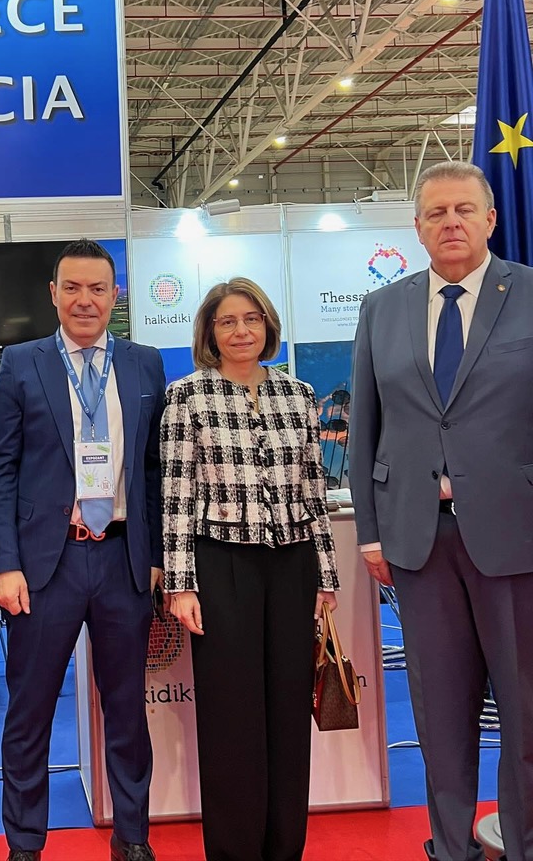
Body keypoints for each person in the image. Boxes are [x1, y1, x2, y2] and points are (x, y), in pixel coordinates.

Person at [350, 161, 533, 861]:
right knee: (439, 714)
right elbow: (366, 427)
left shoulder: (529, 294)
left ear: (490, 219)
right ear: (418, 227)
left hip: (515, 535)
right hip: (417, 541)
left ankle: (523, 843)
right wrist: (370, 534)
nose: (450, 222)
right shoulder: (382, 308)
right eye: (436, 212)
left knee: (524, 710)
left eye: (463, 209)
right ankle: (451, 847)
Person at [0, 238, 166, 861]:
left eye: (97, 288)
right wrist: (4, 564)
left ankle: (133, 838)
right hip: (46, 564)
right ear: (53, 294)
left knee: (127, 709)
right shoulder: (22, 362)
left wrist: (155, 555)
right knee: (29, 710)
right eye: (72, 288)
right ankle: (24, 844)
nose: (84, 300)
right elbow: (0, 470)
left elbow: (152, 468)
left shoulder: (145, 364)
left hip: (122, 560)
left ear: (115, 296)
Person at [161, 277, 338, 861]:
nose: (241, 331)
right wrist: (181, 583)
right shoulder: (187, 397)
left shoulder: (299, 394)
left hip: (292, 566)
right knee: (231, 717)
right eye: (228, 321)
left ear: (268, 326)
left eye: (252, 319)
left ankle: (285, 847)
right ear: (210, 332)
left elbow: (314, 491)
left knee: (288, 712)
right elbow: (177, 495)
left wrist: (325, 577)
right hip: (222, 566)